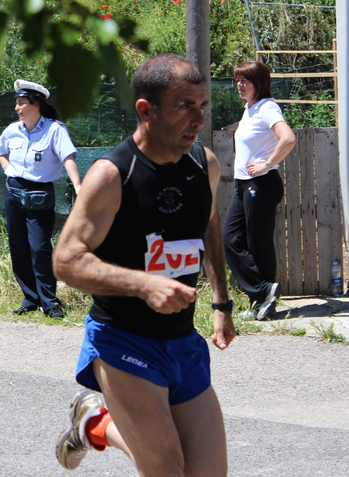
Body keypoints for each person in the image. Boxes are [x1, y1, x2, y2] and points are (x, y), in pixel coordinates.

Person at [51, 54, 236, 475]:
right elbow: (66, 261)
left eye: (202, 106)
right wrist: (144, 285)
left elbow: (209, 227)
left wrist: (221, 305)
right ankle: (96, 420)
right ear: (145, 110)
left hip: (182, 341)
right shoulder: (112, 174)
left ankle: (92, 422)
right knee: (166, 468)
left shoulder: (202, 164)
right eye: (185, 106)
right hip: (123, 341)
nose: (198, 118)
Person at [0, 79, 82, 319]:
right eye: (17, 103)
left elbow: (68, 158)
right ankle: (30, 299)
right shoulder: (13, 130)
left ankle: (50, 302)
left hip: (40, 194)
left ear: (36, 104)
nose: (17, 108)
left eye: (21, 103)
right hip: (13, 191)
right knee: (19, 246)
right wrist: (6, 167)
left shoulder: (54, 129)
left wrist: (78, 186)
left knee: (39, 247)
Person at [222, 60, 296, 320]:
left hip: (261, 185)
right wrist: (236, 127)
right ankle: (264, 292)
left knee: (258, 243)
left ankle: (263, 302)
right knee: (229, 238)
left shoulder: (267, 107)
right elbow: (255, 133)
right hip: (244, 185)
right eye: (238, 80)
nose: (239, 85)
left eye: (245, 80)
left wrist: (267, 163)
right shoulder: (250, 108)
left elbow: (288, 138)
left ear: (259, 83)